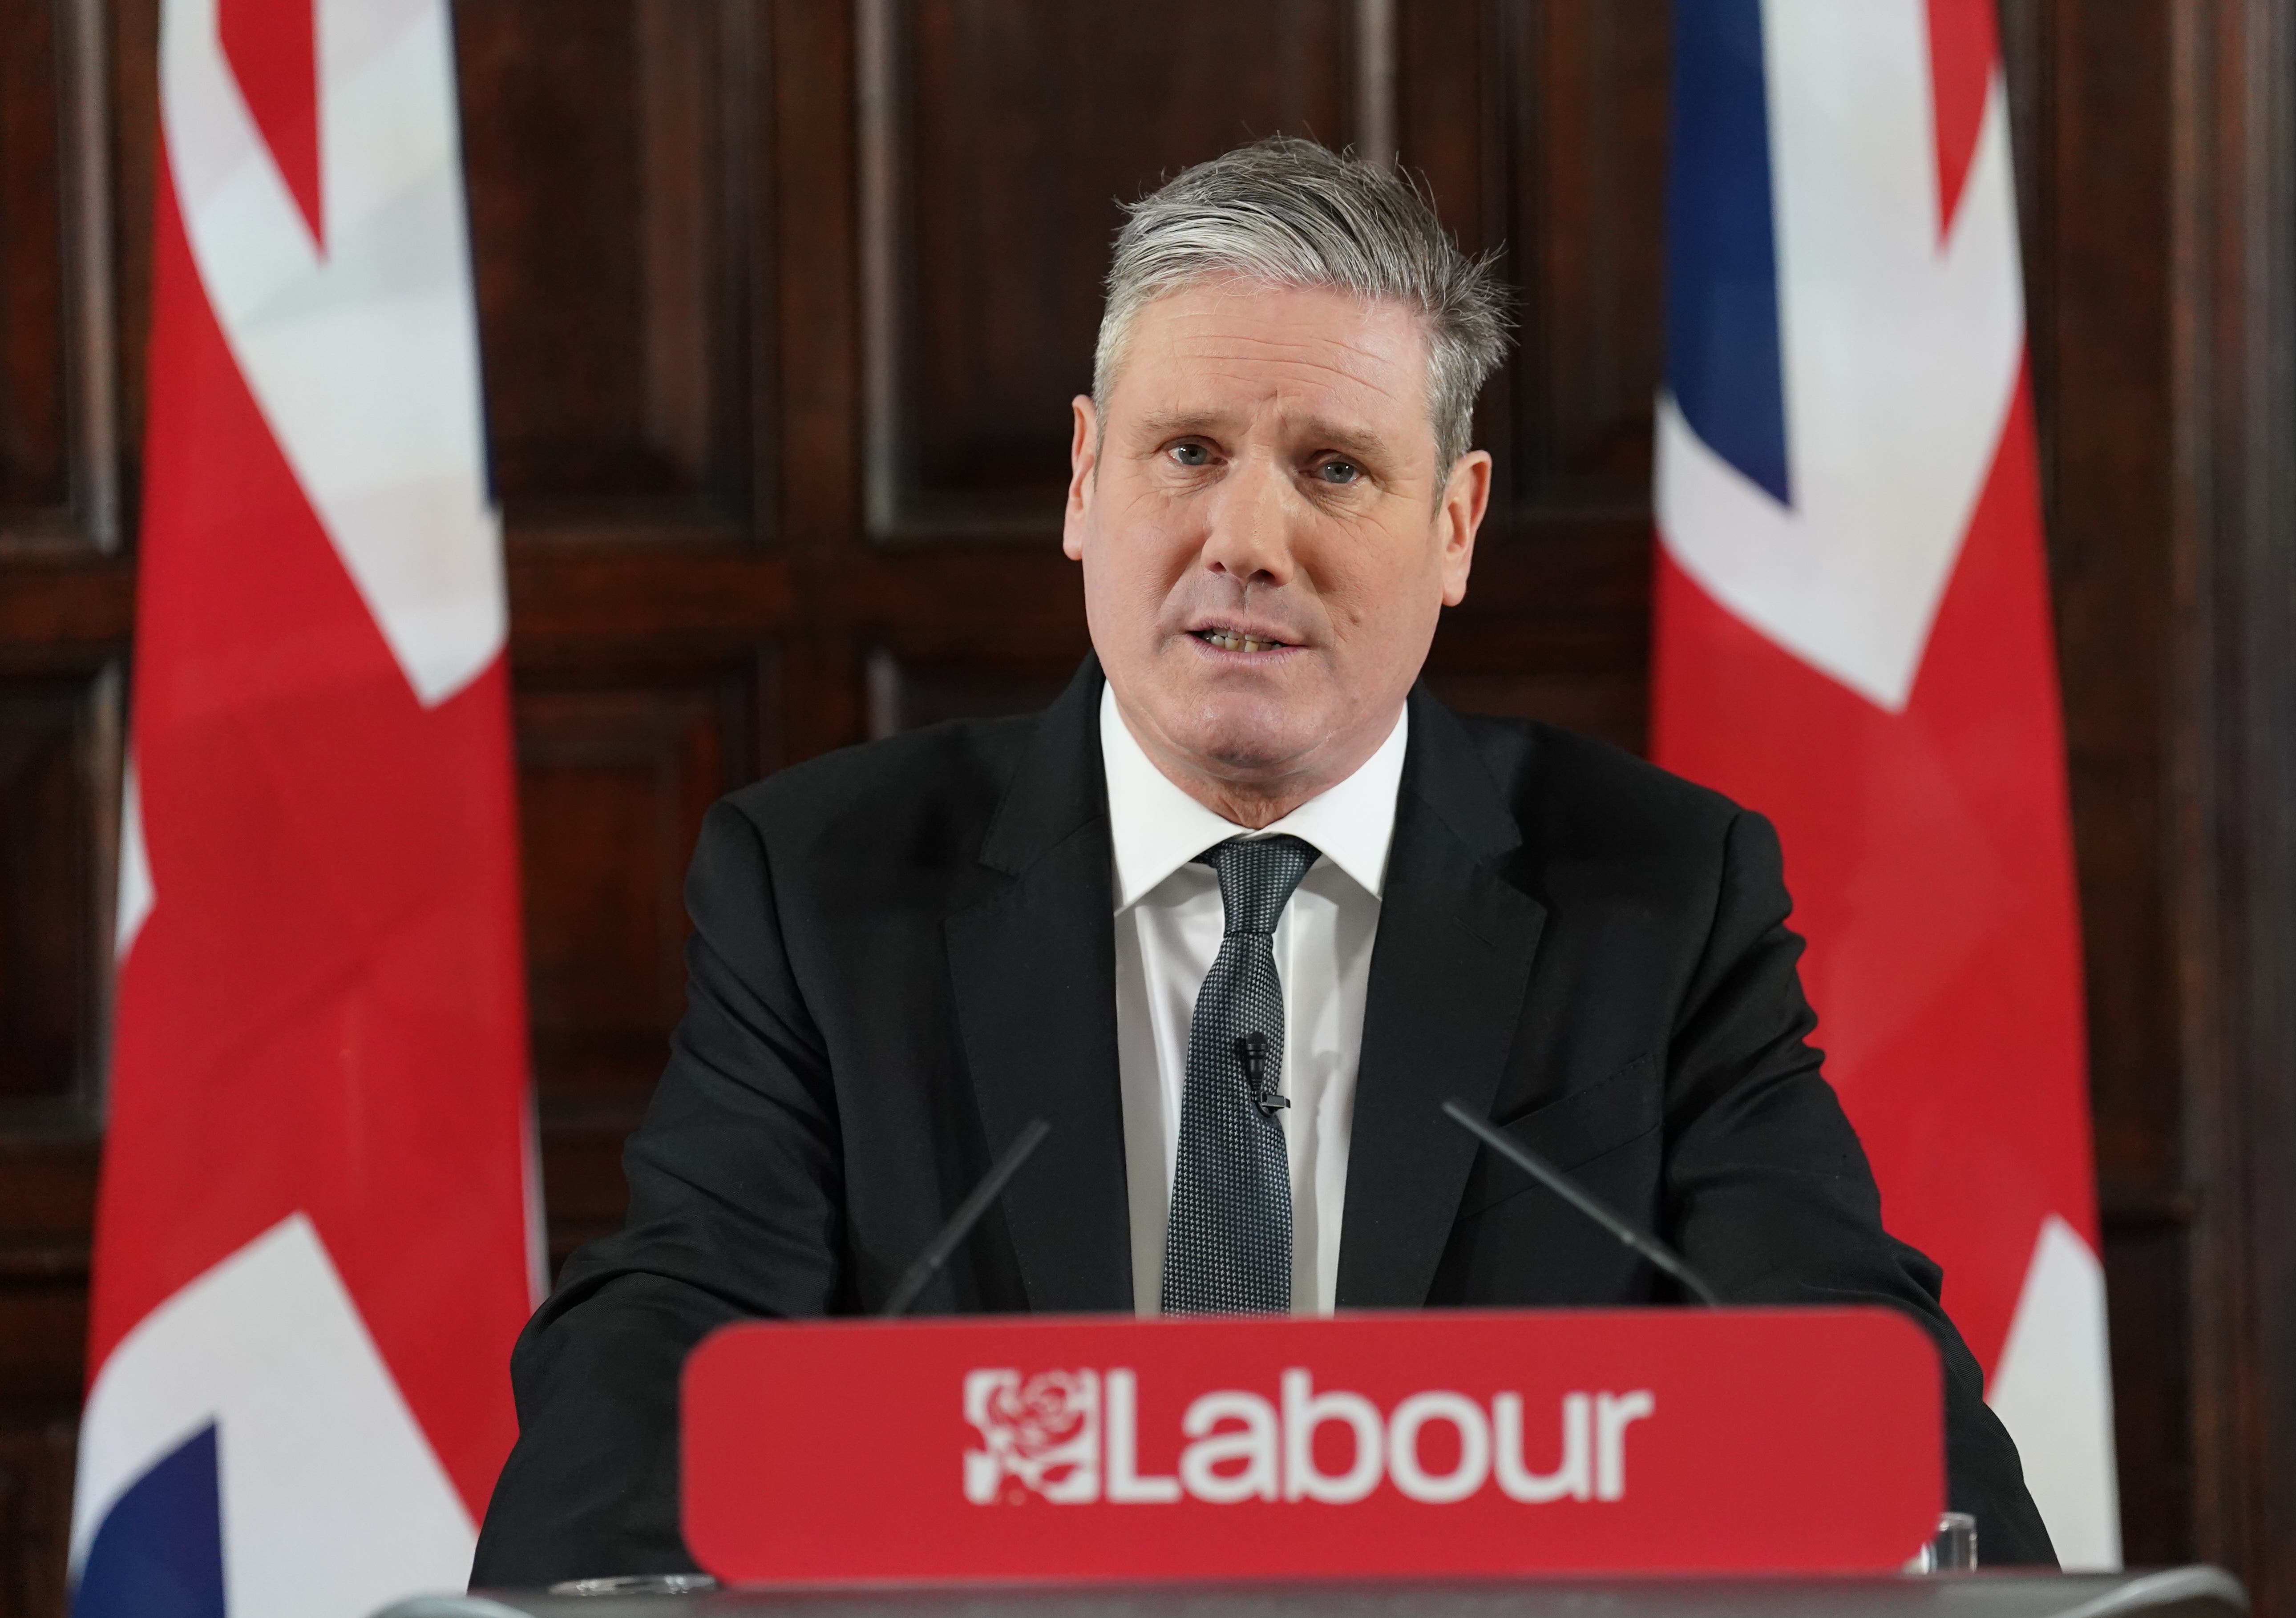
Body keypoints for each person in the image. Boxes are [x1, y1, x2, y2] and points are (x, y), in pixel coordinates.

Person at [471, 137, 2054, 1581]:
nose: (1245, 538)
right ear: (1084, 480)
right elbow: (670, 1340)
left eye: (1335, 469)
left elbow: (1845, 1356)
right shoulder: (824, 887)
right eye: (1186, 452)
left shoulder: (1658, 897)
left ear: (1455, 525)